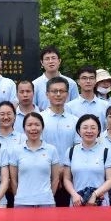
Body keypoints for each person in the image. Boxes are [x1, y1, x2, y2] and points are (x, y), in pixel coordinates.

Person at [40, 77, 79, 206]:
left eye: (62, 91)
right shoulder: (39, 119)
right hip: (45, 176)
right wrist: (55, 171)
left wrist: (64, 170)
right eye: (54, 91)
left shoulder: (75, 121)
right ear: (47, 94)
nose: (58, 94)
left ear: (67, 94)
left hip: (70, 178)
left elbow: (77, 149)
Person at [31, 46, 78, 110]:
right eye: (47, 59)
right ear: (42, 63)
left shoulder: (71, 83)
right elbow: (33, 108)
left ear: (59, 61)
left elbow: (75, 106)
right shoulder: (35, 85)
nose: (50, 61)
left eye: (53, 58)